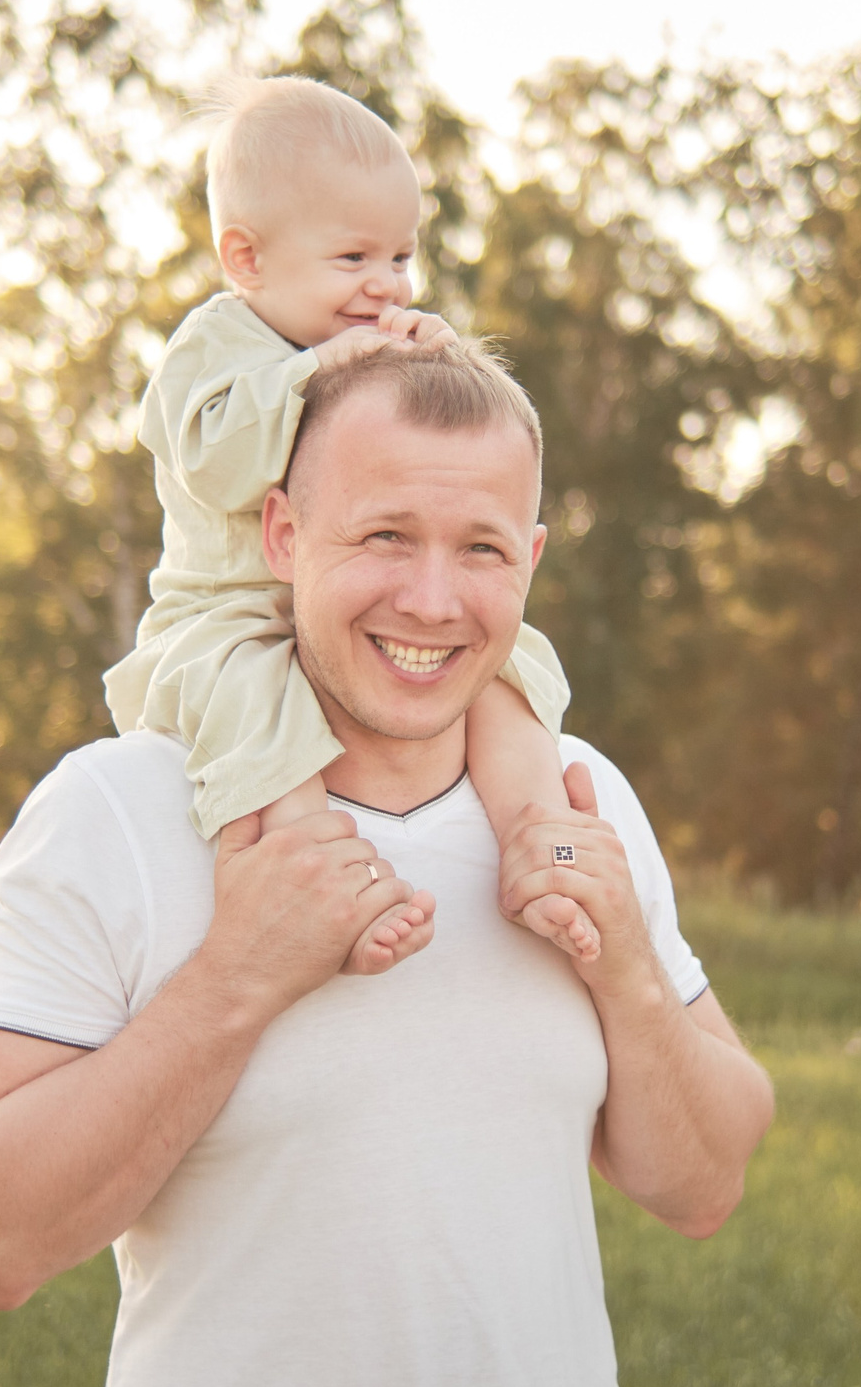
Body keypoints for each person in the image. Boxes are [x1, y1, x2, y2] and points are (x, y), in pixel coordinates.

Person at [0, 341, 775, 1387]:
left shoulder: (574, 800)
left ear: (533, 560)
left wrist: (628, 975)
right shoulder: (117, 810)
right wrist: (239, 977)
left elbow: (704, 1186)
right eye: (383, 536)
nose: (431, 599)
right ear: (281, 534)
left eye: (481, 549)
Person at [102, 75, 598, 964]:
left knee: (511, 672)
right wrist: (328, 363)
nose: (384, 286)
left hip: (349, 612)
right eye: (353, 260)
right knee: (261, 709)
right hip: (231, 619)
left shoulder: (361, 345)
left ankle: (542, 837)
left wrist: (433, 367)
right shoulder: (215, 349)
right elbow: (218, 460)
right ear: (247, 259)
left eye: (401, 260)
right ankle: (314, 876)